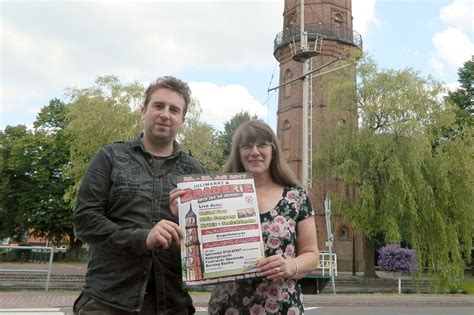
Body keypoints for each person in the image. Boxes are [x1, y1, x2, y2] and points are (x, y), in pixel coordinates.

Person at [73, 76, 206, 314]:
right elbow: (85, 221)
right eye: (158, 106)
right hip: (108, 300)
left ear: (182, 120)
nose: (165, 114)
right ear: (143, 111)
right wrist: (142, 238)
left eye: (174, 110)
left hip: (171, 304)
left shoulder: (195, 171)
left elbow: (205, 240)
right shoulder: (110, 156)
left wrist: (185, 220)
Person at [208, 120, 319, 314]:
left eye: (262, 145)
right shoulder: (218, 195)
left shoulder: (296, 197)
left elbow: (311, 254)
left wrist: (291, 265)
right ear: (238, 152)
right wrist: (183, 210)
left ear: (273, 150)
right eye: (246, 145)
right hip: (228, 306)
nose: (254, 152)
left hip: (281, 306)